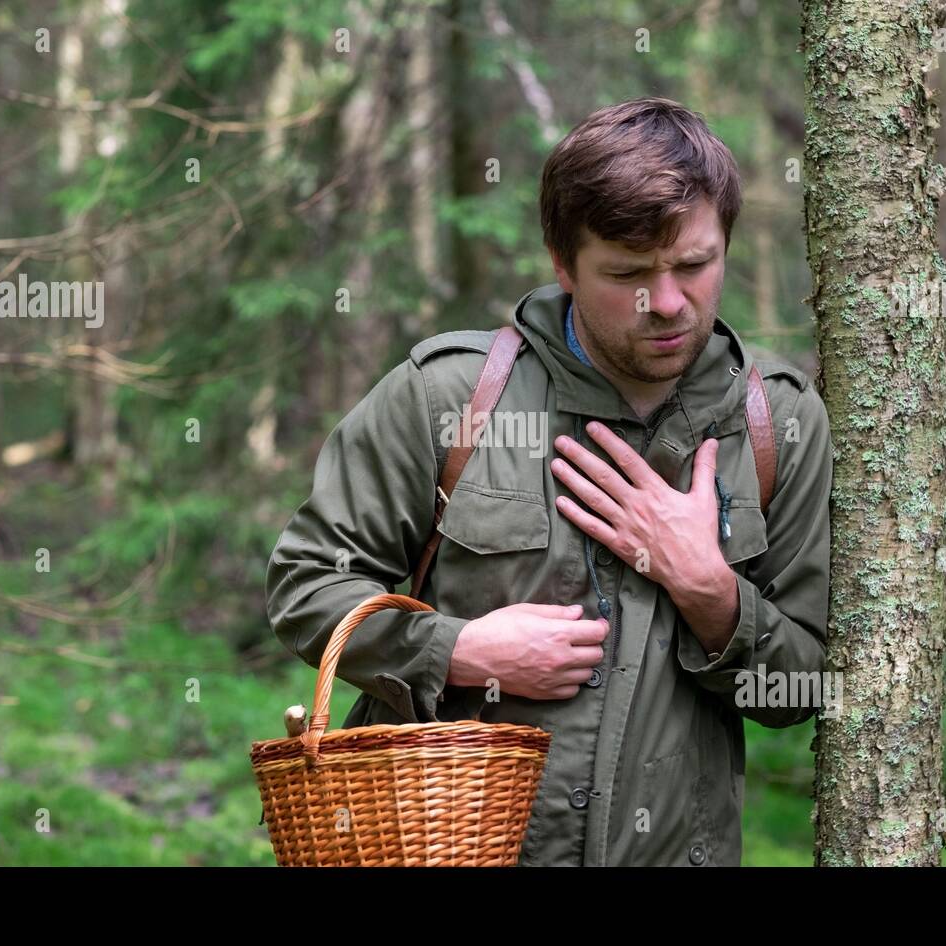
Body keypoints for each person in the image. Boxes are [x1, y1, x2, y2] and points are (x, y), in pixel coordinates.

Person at [266, 96, 833, 866]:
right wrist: (458, 650)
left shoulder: (778, 424)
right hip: (451, 849)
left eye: (694, 266)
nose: (665, 303)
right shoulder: (450, 398)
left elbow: (802, 692)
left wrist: (711, 593)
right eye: (627, 273)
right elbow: (306, 587)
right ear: (563, 264)